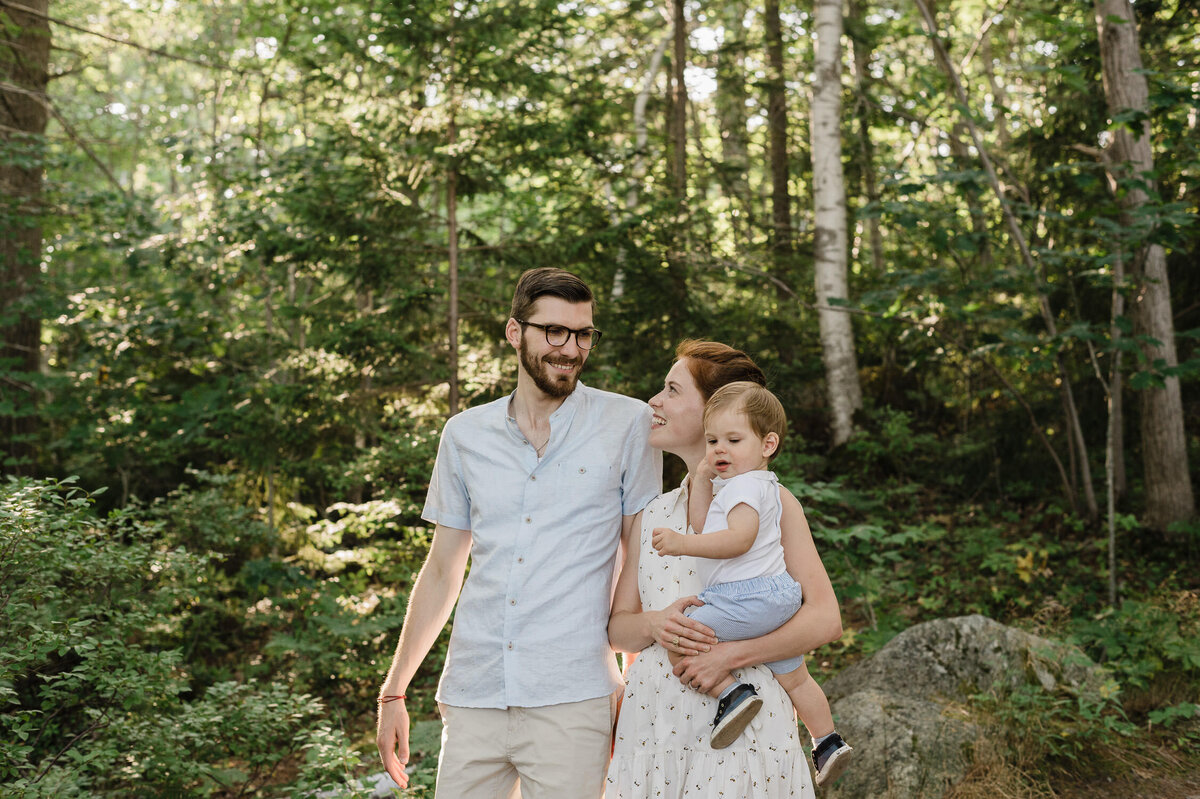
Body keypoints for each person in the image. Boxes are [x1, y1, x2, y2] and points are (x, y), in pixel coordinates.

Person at [375, 267, 661, 799]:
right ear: (514, 332)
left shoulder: (630, 425)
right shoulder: (464, 434)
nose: (570, 349)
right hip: (473, 694)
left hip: (574, 697)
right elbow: (442, 570)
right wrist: (394, 692)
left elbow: (640, 563)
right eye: (554, 331)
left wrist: (637, 685)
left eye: (583, 334)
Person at [607, 340, 844, 798]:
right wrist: (658, 625)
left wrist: (731, 657)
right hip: (655, 727)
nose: (654, 401)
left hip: (745, 733)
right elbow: (618, 630)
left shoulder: (772, 502)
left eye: (672, 391)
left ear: (714, 408)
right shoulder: (652, 513)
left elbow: (825, 618)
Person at [650, 381, 853, 781]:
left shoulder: (743, 487)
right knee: (796, 677)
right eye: (712, 440)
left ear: (768, 444)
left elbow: (736, 539)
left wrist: (681, 543)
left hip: (746, 597)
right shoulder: (763, 485)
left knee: (679, 635)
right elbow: (708, 519)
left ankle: (732, 692)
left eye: (733, 439)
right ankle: (827, 742)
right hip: (774, 599)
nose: (719, 449)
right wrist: (706, 478)